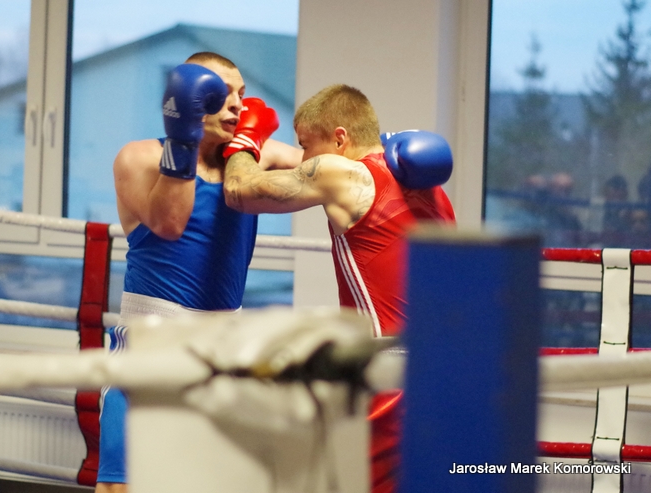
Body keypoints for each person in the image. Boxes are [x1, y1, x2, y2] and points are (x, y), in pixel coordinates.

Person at [223, 84, 456, 493]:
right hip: (445, 372)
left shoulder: (342, 174)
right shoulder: (428, 187)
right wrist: (269, 149)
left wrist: (244, 139)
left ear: (340, 139)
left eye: (306, 146)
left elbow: (238, 192)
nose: (305, 159)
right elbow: (300, 164)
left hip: (388, 376)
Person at [95, 52, 300, 493]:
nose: (238, 104)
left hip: (223, 356)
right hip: (150, 349)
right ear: (189, 98)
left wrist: (377, 155)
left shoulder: (250, 159)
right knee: (122, 486)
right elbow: (170, 224)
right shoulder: (140, 156)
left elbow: (327, 173)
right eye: (222, 93)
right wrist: (183, 139)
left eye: (242, 94)